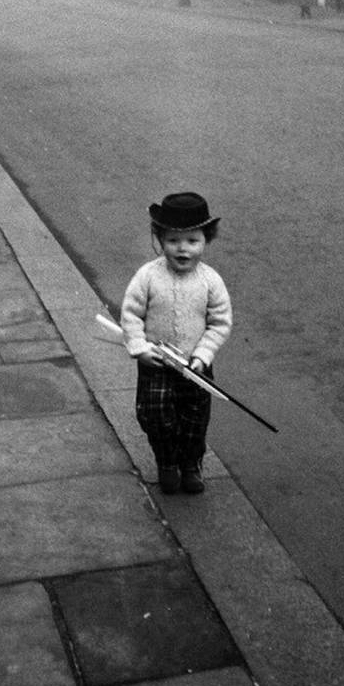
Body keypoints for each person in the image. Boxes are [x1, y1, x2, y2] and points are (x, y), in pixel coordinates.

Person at [120, 191, 232, 495]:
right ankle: (167, 463)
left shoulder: (211, 281)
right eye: (173, 241)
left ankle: (191, 465)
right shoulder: (147, 277)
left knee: (194, 421)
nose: (183, 249)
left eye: (193, 241)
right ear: (160, 239)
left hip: (195, 368)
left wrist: (203, 354)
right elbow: (130, 315)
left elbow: (220, 323)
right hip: (156, 365)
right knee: (156, 418)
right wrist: (140, 349)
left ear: (206, 240)